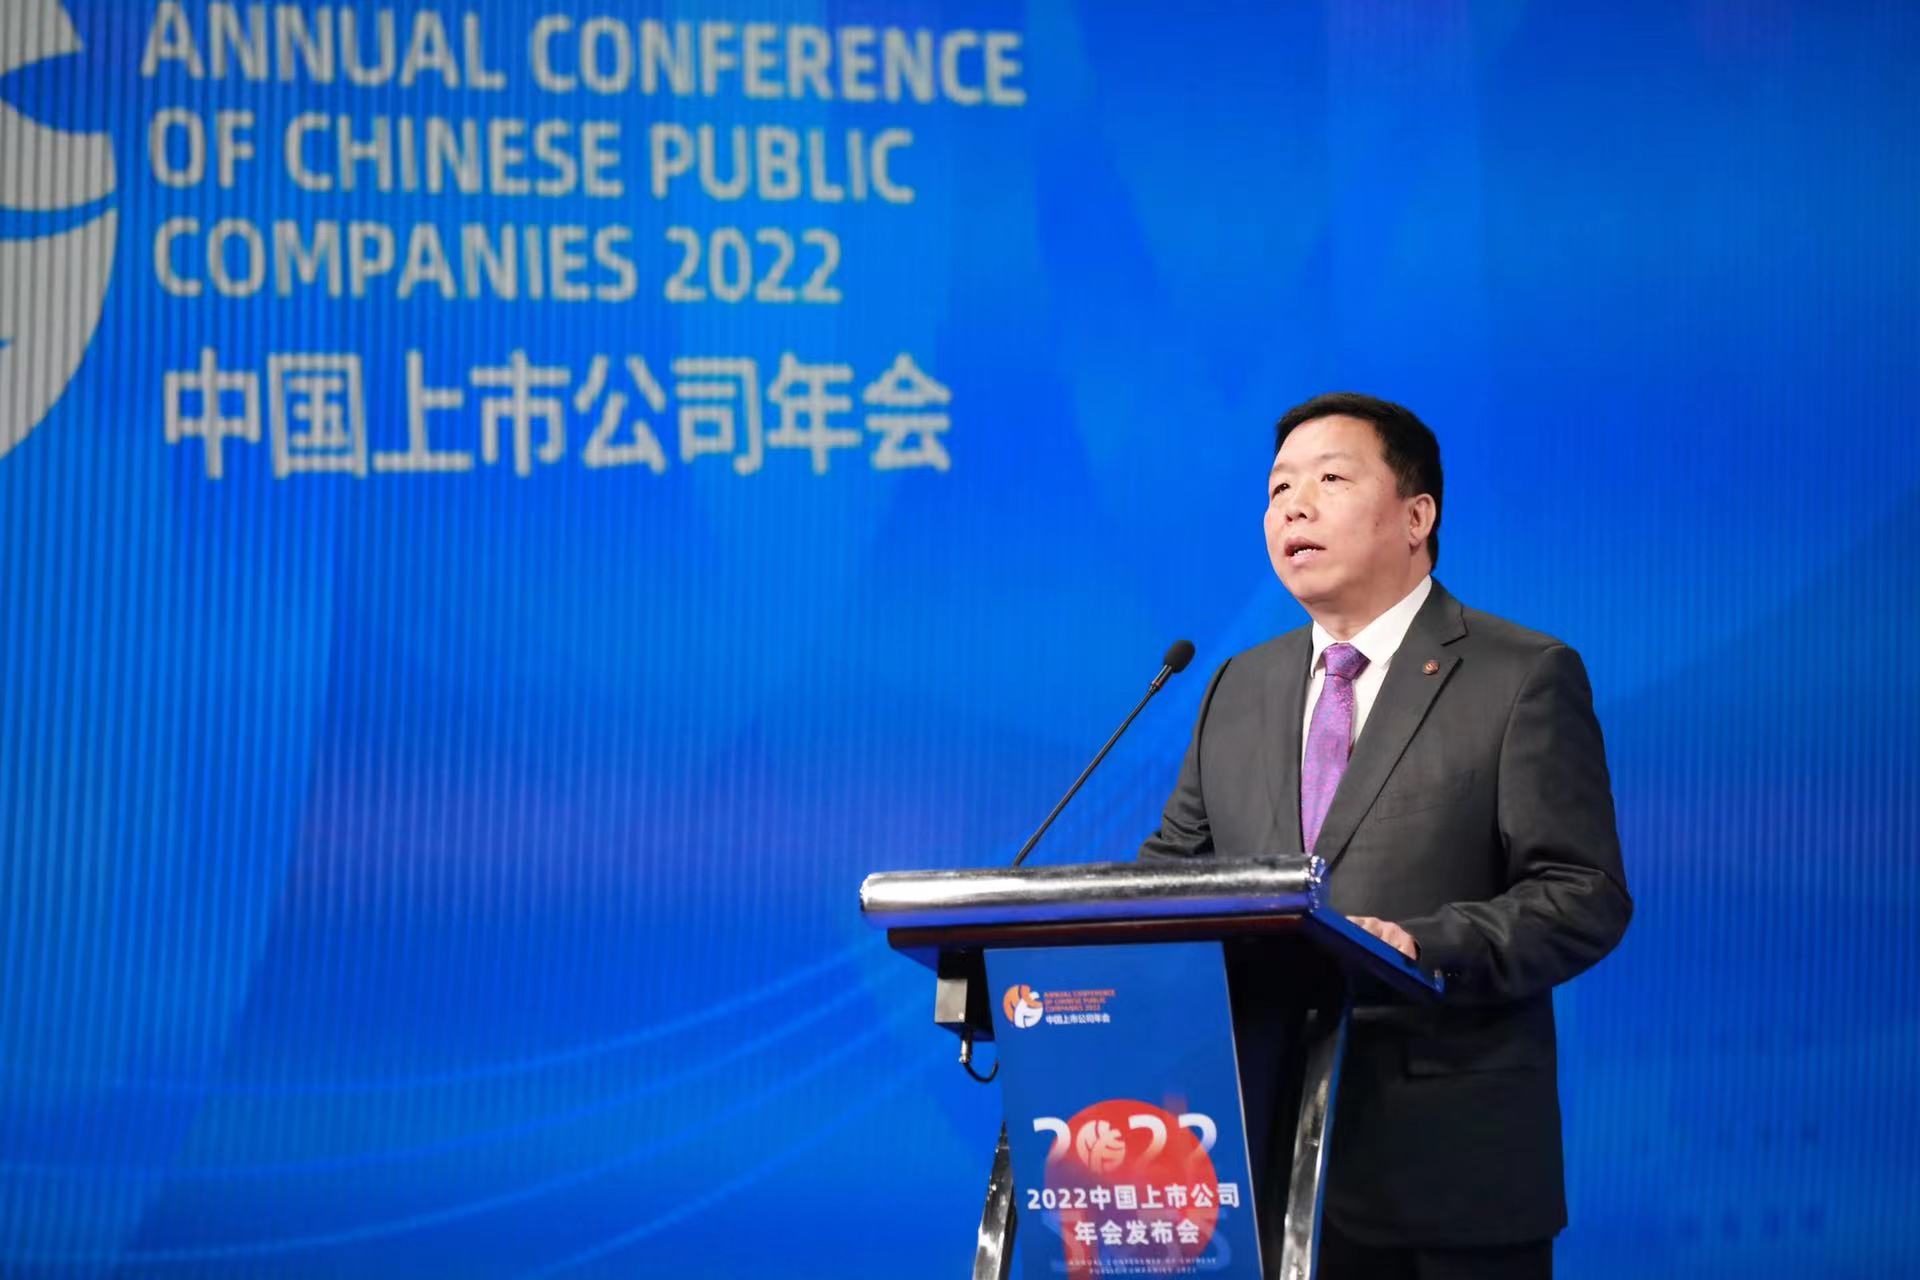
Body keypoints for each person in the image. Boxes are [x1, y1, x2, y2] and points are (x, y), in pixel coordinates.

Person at [1139, 392, 1631, 1279]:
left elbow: (1581, 893)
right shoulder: (1236, 687)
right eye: (1278, 488)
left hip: (1443, 1179)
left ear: (1416, 516)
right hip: (1253, 1169)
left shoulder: (1521, 676)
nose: (1294, 507)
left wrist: (1421, 944)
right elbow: (1168, 881)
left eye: (1330, 480)